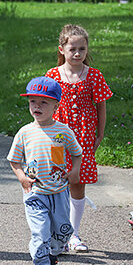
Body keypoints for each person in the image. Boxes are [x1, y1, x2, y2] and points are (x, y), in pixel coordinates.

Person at [7, 76, 82, 265]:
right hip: (35, 193)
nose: (36, 106)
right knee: (40, 232)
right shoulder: (25, 132)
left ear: (56, 106)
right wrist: (22, 178)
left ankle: (53, 254)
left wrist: (75, 171)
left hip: (59, 192)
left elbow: (77, 153)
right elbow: (14, 161)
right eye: (33, 101)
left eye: (43, 102)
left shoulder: (63, 131)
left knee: (64, 231)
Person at [45, 24, 112, 252]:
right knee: (56, 181)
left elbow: (101, 106)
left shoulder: (93, 75)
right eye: (72, 48)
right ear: (61, 49)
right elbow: (43, 105)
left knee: (77, 181)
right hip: (56, 136)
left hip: (83, 135)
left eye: (82, 49)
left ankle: (72, 234)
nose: (77, 54)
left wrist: (99, 133)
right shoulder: (52, 75)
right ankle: (57, 233)